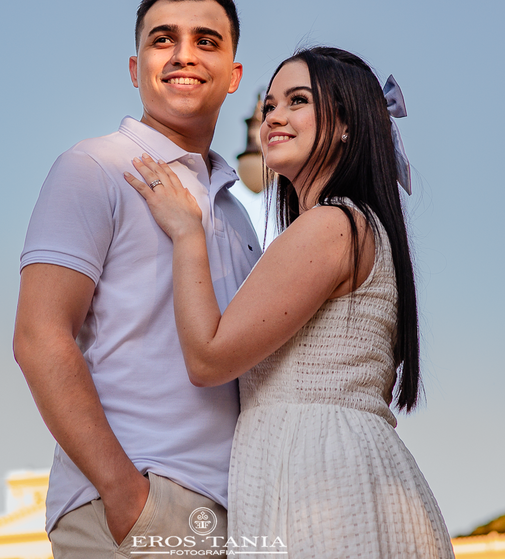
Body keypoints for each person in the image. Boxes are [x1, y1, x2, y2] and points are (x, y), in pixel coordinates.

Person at [125, 46, 454, 558]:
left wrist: (188, 234)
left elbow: (209, 358)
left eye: (297, 100)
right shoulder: (359, 225)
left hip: (318, 477)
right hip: (348, 469)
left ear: (346, 125)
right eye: (269, 106)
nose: (274, 115)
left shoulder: (331, 224)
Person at [13, 0, 261, 558]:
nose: (183, 55)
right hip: (136, 506)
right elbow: (39, 337)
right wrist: (126, 496)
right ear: (135, 67)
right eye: (163, 40)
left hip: (235, 516)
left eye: (206, 41)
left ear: (234, 74)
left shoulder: (235, 213)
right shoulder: (95, 166)